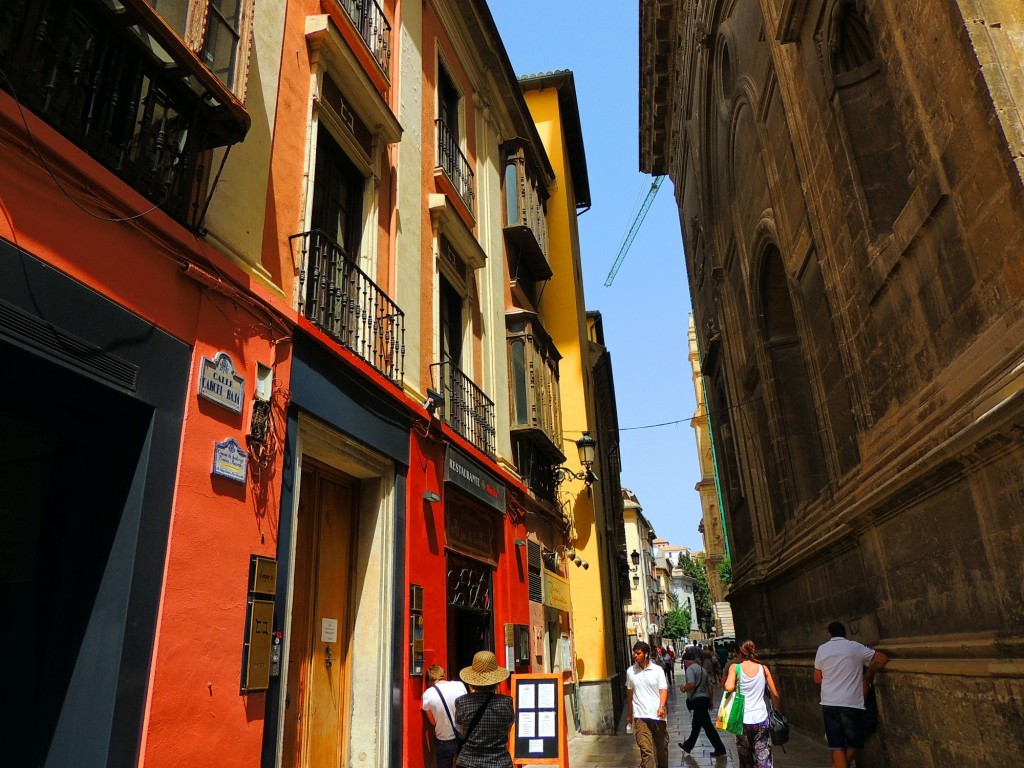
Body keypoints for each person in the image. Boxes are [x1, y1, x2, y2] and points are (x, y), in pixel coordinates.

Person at [814, 622, 890, 768]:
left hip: (829, 701)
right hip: (850, 702)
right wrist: (870, 673)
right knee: (856, 742)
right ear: (845, 633)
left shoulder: (822, 649)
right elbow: (882, 658)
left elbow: (818, 678)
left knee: (836, 744)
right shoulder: (855, 647)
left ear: (829, 633)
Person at [723, 640, 781, 768]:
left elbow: (728, 687)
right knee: (763, 754)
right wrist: (778, 713)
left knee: (745, 758)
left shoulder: (735, 668)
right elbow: (775, 694)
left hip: (742, 720)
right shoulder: (763, 668)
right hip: (761, 718)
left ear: (740, 652)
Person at [454, 651, 515, 768]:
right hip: (499, 762)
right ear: (496, 681)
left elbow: (461, 730)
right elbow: (508, 728)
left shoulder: (461, 702)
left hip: (468, 762)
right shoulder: (506, 702)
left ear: (472, 682)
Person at [626, 640, 669, 768]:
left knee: (661, 748)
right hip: (640, 716)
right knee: (646, 749)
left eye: (638, 653)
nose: (635, 656)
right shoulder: (630, 671)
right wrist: (629, 715)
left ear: (646, 654)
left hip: (657, 714)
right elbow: (630, 694)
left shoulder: (657, 670)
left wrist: (661, 706)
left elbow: (663, 690)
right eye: (634, 653)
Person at [678, 651, 727, 757]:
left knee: (708, 726)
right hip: (704, 699)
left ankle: (720, 748)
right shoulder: (703, 669)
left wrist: (683, 688)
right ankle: (688, 745)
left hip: (697, 700)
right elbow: (710, 687)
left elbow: (691, 684)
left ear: (686, 661)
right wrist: (710, 701)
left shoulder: (690, 669)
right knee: (696, 725)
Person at [422, 664, 468, 768]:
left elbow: (432, 722)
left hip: (443, 741)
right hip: (461, 737)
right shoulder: (459, 685)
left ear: (430, 681)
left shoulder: (428, 695)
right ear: (444, 674)